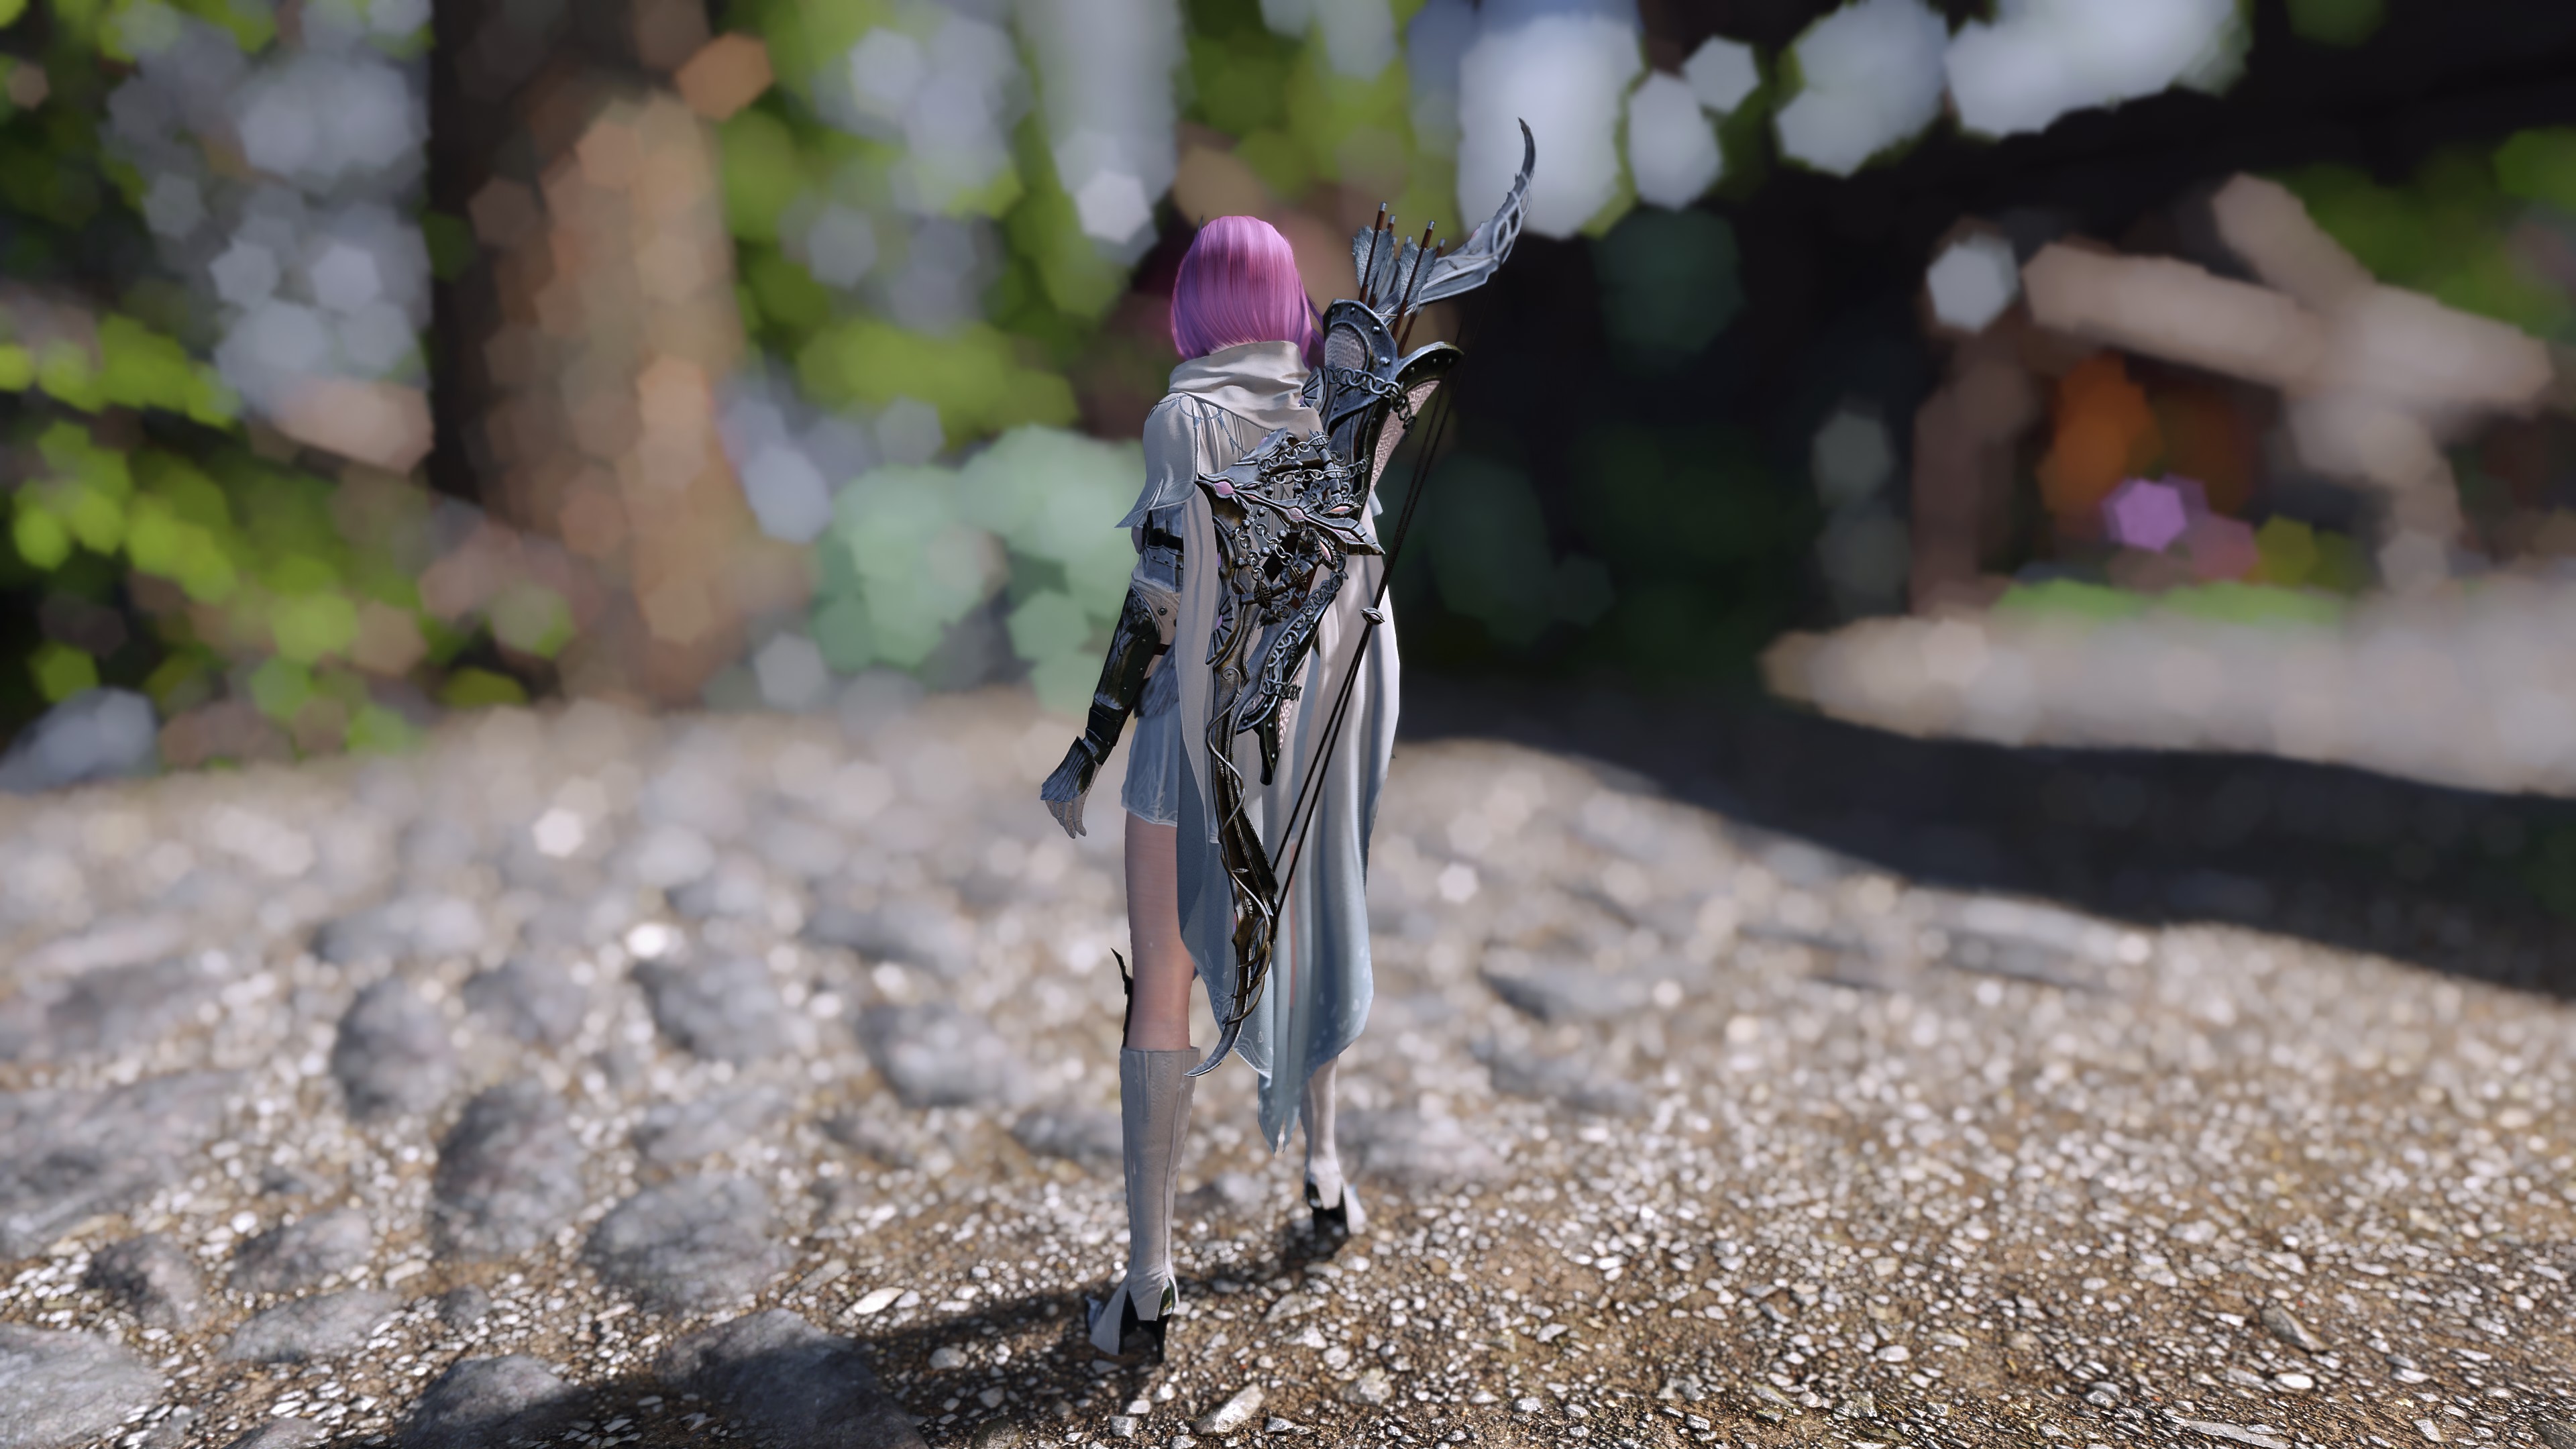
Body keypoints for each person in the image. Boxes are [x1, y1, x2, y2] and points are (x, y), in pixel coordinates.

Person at [1040, 213, 1395, 1360]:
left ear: (1195, 301)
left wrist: (1088, 746)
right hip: (1302, 748)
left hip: (1185, 751)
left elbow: (1157, 601)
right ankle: (1325, 1176)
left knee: (1164, 979)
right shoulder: (1333, 417)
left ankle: (1149, 1284)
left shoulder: (1184, 418)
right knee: (1308, 934)